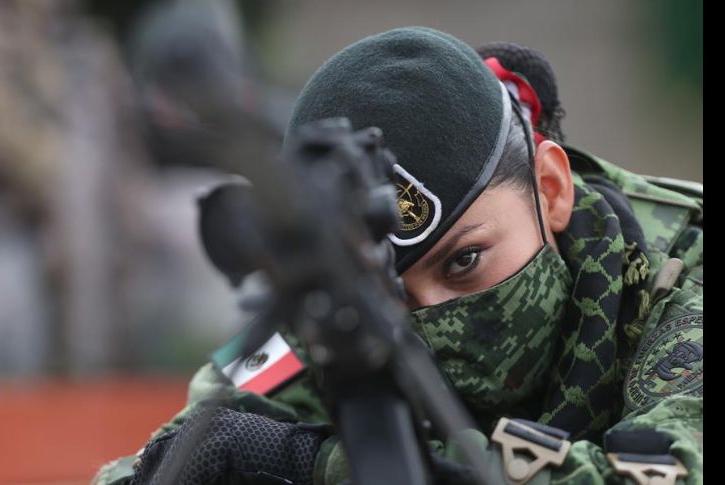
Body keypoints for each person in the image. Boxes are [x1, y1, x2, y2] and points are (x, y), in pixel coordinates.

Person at [94, 27, 702, 485]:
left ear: (551, 189)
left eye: (464, 261)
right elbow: (168, 455)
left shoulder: (686, 272)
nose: (435, 314)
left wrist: (320, 463)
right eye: (393, 290)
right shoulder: (320, 309)